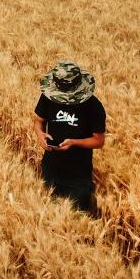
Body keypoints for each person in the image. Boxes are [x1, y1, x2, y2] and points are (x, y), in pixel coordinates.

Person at [32, 60, 106, 214]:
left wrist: (74, 142)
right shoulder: (48, 97)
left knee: (77, 218)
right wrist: (40, 135)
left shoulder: (93, 107)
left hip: (78, 175)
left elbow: (99, 140)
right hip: (50, 167)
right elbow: (38, 120)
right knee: (46, 213)